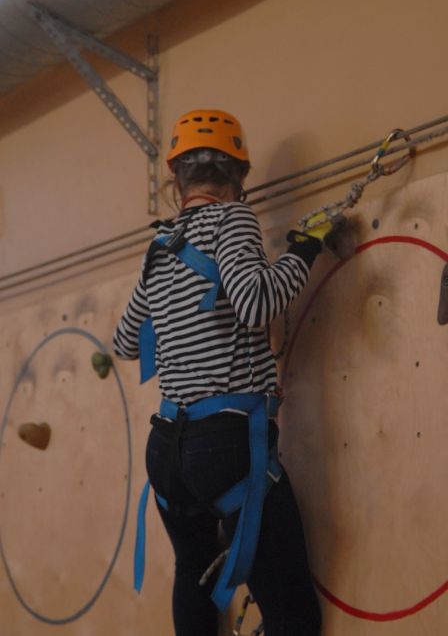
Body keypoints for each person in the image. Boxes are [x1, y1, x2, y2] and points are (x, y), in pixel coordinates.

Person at [113, 109, 327, 636]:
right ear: (239, 174)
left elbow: (124, 342)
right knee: (293, 616)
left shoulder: (159, 245)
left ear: (176, 178)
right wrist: (302, 253)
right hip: (225, 446)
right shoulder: (233, 219)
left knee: (193, 575)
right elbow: (255, 304)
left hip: (167, 451)